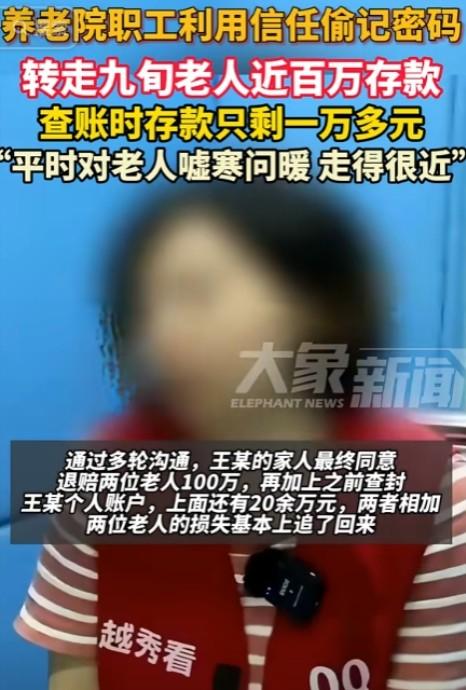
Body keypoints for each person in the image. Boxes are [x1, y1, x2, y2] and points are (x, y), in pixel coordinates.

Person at [15, 183, 466, 690]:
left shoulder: (435, 495)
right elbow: (74, 676)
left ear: (319, 304)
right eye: (145, 307)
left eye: (199, 294)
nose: (163, 337)